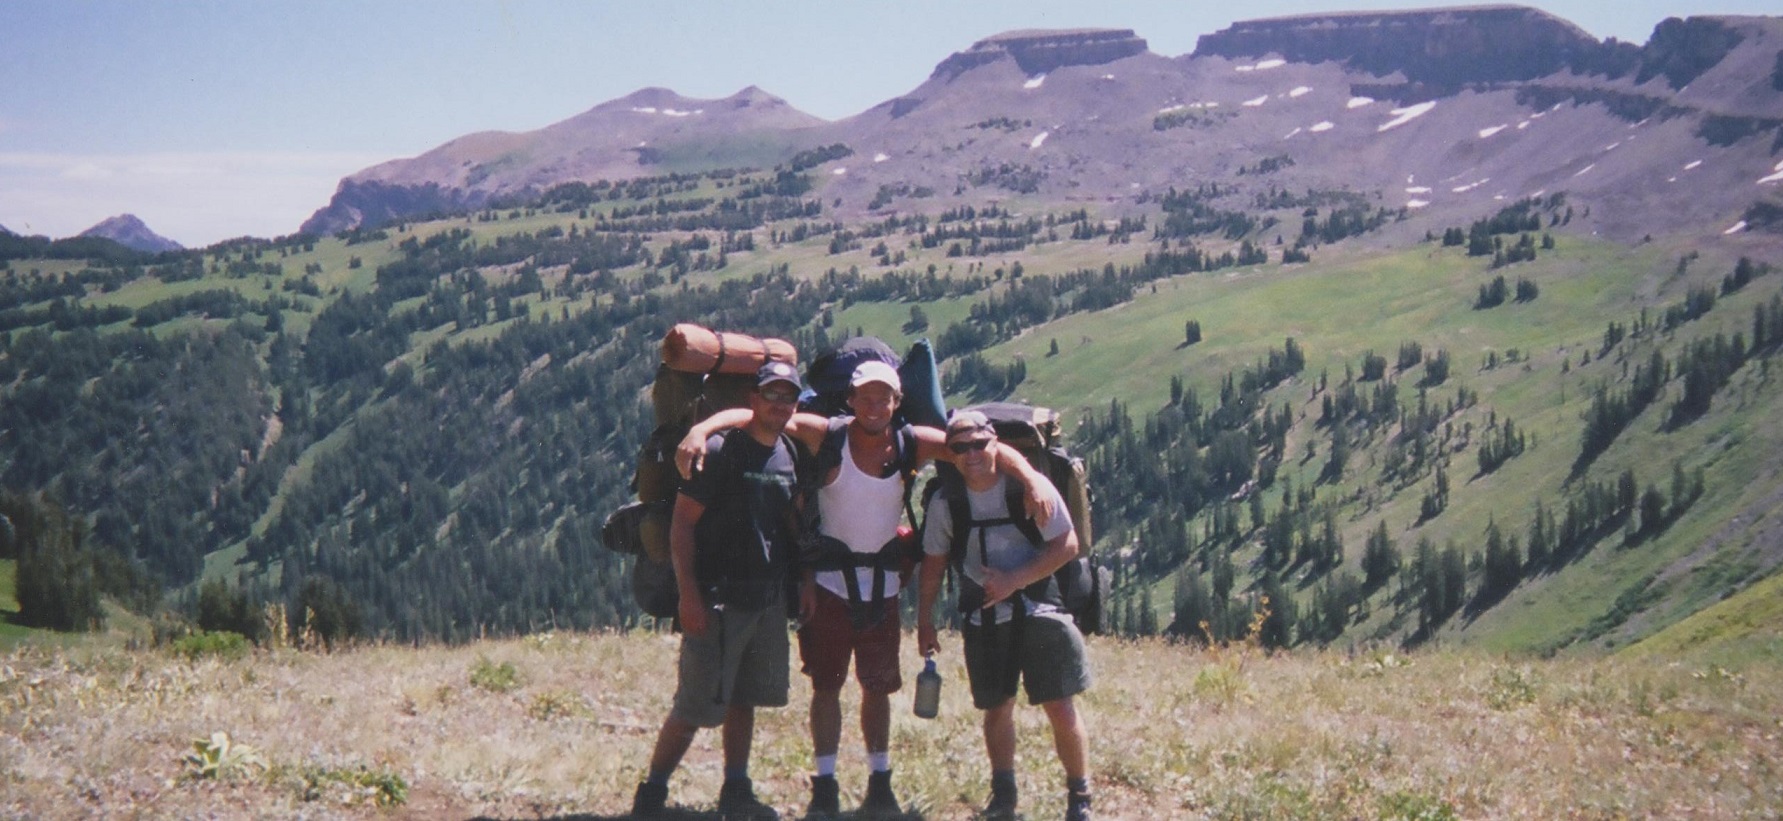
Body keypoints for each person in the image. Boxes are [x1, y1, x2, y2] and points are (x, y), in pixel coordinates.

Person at [677, 361, 1052, 818]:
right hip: (831, 585)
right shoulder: (828, 434)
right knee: (827, 688)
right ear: (851, 401)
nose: (875, 407)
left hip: (883, 588)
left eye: (884, 398)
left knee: (877, 689)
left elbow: (978, 450)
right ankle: (826, 785)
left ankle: (879, 782)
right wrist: (702, 431)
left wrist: (1030, 478)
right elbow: (757, 417)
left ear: (897, 403)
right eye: (866, 398)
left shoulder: (910, 444)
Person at [630, 360, 805, 820]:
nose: (779, 404)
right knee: (694, 705)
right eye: (772, 394)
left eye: (788, 396)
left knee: (745, 698)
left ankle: (736, 788)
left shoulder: (788, 451)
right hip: (717, 599)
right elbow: (683, 525)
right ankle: (652, 791)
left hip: (766, 600)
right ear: (753, 399)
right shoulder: (723, 451)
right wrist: (689, 594)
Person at [916, 410, 1093, 821]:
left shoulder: (1030, 488)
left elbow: (1067, 544)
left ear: (996, 443)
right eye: (961, 448)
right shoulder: (947, 503)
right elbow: (933, 563)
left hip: (1042, 608)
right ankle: (1004, 796)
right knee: (997, 708)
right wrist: (925, 620)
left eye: (980, 444)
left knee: (1060, 706)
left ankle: (1080, 796)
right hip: (984, 616)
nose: (972, 454)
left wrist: (1015, 579)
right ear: (951, 454)